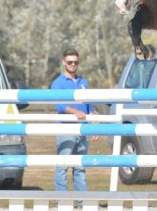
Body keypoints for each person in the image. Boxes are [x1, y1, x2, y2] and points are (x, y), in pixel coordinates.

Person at [51, 48, 98, 205]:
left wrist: (93, 124)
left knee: (80, 169)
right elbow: (59, 105)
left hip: (84, 129)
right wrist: (74, 111)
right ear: (64, 62)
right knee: (62, 167)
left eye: (76, 62)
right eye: (70, 62)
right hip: (67, 130)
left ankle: (82, 203)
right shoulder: (57, 83)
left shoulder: (83, 82)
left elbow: (90, 105)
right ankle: (62, 202)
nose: (73, 65)